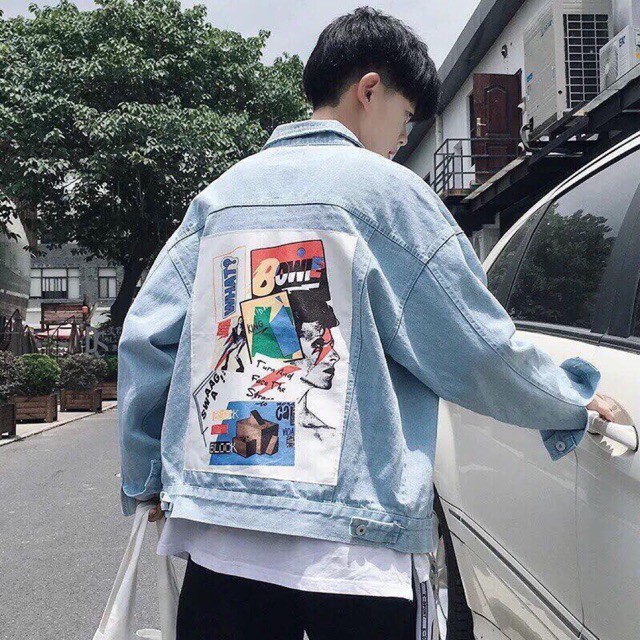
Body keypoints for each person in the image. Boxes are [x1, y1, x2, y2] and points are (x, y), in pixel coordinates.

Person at [117, 7, 614, 640]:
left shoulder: (219, 198)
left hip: (221, 541)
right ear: (369, 89)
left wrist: (148, 477)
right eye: (405, 118)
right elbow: (475, 347)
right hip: (353, 555)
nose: (402, 139)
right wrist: (568, 399)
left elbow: (146, 339)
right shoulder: (391, 196)